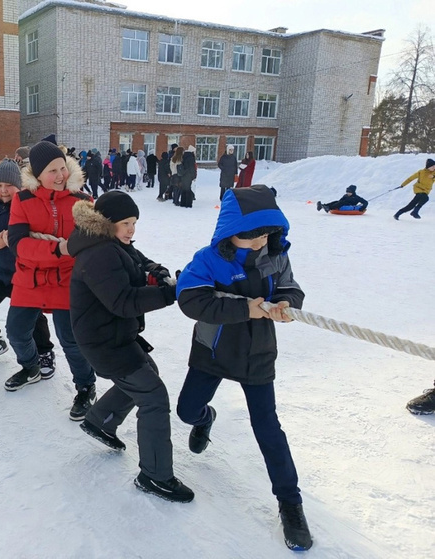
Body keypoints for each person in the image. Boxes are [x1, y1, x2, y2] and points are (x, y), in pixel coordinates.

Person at [175, 185, 312, 551]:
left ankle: (291, 504)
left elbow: (292, 288)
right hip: (214, 350)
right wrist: (244, 309)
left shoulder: (276, 255)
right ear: (228, 230)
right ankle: (205, 418)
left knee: (268, 428)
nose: (259, 242)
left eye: (265, 234)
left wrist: (285, 303)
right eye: (250, 235)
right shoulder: (208, 259)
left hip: (257, 353)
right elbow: (189, 299)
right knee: (186, 411)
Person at [68, 191, 194, 503]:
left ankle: (100, 421)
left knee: (146, 373)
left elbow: (137, 259)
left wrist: (157, 272)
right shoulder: (99, 255)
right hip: (104, 341)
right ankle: (155, 475)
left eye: (134, 222)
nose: (131, 229)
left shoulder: (110, 244)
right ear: (107, 222)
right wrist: (170, 295)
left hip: (113, 335)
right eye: (125, 223)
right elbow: (123, 301)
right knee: (153, 395)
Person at [4, 140, 97, 420]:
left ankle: (85, 386)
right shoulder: (23, 200)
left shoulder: (83, 202)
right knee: (17, 332)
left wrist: (48, 248)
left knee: (71, 341)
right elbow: (18, 244)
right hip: (29, 279)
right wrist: (60, 248)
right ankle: (32, 366)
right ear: (37, 174)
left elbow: (89, 245)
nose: (60, 176)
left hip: (68, 281)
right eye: (52, 171)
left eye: (62, 168)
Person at [0, 159, 56, 372]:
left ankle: (44, 351)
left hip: (23, 274)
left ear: (19, 185)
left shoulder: (29, 202)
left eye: (9, 186)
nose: (3, 191)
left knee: (32, 317)